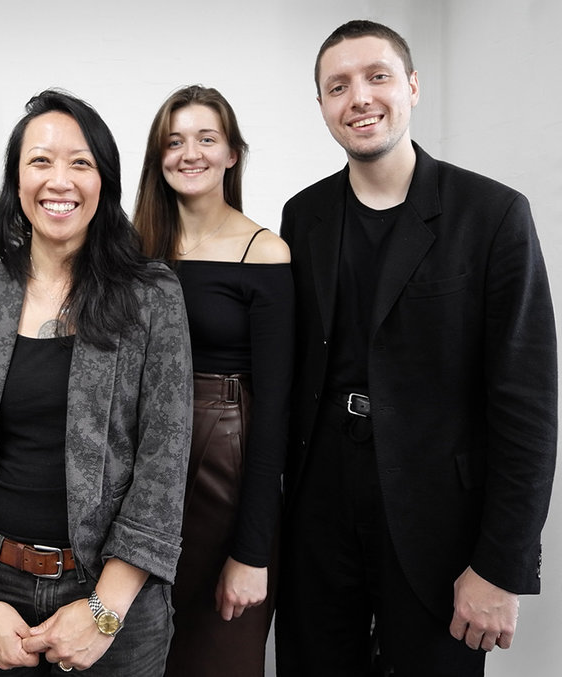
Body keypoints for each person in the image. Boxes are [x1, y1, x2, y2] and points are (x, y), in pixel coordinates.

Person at [274, 20, 557, 676]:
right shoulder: (301, 215)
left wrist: (500, 565)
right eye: (337, 86)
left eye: (377, 77)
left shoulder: (492, 214)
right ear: (321, 106)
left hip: (440, 528)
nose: (359, 98)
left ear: (412, 86)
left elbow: (528, 406)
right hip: (318, 520)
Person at [0, 89, 193, 675]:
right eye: (40, 161)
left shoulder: (152, 295)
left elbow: (164, 461)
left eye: (80, 162)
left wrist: (103, 611)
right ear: (16, 182)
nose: (59, 180)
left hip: (113, 597)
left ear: (105, 180)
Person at [133, 84, 293, 677]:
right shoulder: (132, 249)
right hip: (138, 472)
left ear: (232, 153)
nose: (189, 153)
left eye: (206, 138)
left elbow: (275, 410)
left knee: (215, 658)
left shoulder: (265, 252)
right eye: (173, 141)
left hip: (221, 469)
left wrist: (251, 553)